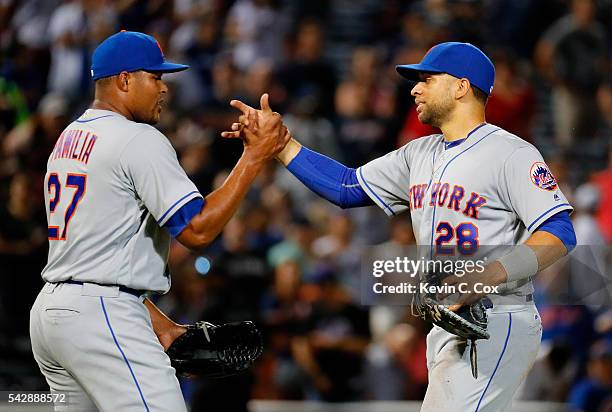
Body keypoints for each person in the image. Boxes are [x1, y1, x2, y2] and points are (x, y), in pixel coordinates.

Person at [225, 42, 577, 411]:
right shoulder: (418, 153)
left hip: (497, 316)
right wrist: (282, 145)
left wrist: (484, 277)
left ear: (461, 86)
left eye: (427, 79)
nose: (414, 89)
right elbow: (346, 187)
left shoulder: (511, 153)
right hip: (448, 321)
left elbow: (559, 232)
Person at [29, 31, 289, 411]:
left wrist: (158, 321)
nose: (164, 89)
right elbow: (197, 231)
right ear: (124, 79)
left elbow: (94, 255)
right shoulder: (137, 138)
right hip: (101, 315)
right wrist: (253, 157)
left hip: (53, 312)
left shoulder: (70, 137)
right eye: (156, 77)